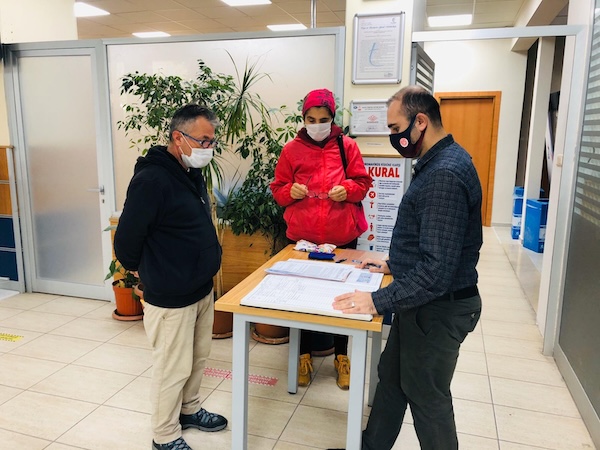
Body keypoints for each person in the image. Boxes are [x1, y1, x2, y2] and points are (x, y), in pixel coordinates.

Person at [332, 85, 483, 450]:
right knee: (392, 379)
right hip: (422, 304)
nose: (394, 137)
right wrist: (391, 262)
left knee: (426, 396)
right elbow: (434, 242)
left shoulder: (444, 174)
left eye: (396, 128)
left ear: (421, 122)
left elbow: (436, 271)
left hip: (439, 308)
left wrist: (376, 301)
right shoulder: (437, 163)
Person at [114, 104, 228, 450]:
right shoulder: (152, 180)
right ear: (178, 138)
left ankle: (189, 410)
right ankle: (164, 435)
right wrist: (144, 269)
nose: (209, 147)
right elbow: (126, 240)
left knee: (197, 358)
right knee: (171, 367)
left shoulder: (189, 172)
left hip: (199, 288)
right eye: (203, 140)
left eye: (211, 141)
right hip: (170, 295)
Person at [271, 88, 372, 390]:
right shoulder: (291, 150)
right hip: (302, 240)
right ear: (303, 119)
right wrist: (290, 191)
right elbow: (278, 190)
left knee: (343, 298)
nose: (317, 125)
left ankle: (342, 357)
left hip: (342, 239)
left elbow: (362, 183)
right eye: (311, 119)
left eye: (323, 119)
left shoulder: (347, 146)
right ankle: (303, 355)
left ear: (333, 118)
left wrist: (348, 190)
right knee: (299, 298)